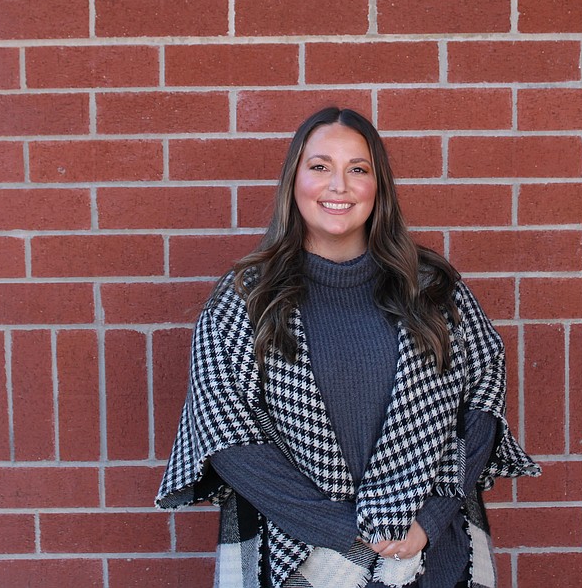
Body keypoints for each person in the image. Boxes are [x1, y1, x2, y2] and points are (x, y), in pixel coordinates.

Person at [156, 107, 540, 588]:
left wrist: (431, 516)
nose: (338, 186)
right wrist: (353, 533)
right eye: (320, 167)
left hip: (432, 554)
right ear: (294, 181)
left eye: (357, 169)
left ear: (378, 186)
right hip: (299, 559)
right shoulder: (245, 299)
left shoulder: (433, 290)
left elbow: (481, 404)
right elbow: (226, 436)